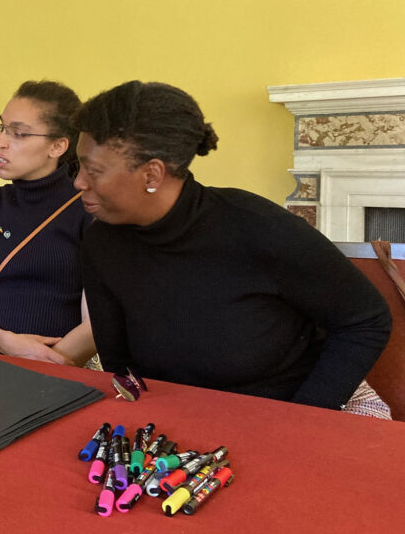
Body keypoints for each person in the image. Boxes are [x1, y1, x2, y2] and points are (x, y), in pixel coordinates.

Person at [73, 80, 391, 410]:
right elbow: (120, 366)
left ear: (152, 175)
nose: (78, 181)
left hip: (282, 413)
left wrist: (305, 416)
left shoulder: (259, 229)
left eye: (93, 170)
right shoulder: (101, 245)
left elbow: (366, 319)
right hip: (176, 426)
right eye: (78, 166)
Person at [0, 80, 96, 364]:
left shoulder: (88, 208)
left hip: (58, 371)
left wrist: (44, 363)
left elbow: (94, 326)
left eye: (18, 133)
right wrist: (4, 342)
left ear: (57, 146)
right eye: (2, 127)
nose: (0, 141)